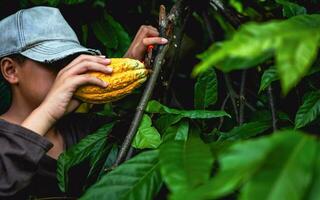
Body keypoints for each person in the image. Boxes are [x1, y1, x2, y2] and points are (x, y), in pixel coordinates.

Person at [0, 6, 168, 199]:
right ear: (10, 70)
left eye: (73, 61)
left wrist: (126, 74)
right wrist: (48, 111)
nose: (68, 73)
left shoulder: (88, 130)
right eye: (55, 62)